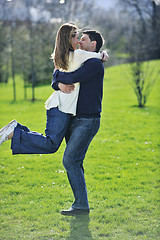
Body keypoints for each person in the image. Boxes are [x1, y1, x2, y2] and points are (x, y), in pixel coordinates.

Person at [0, 23, 107, 154]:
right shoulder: (78, 55)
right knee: (51, 144)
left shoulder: (63, 55)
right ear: (69, 39)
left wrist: (57, 80)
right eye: (77, 38)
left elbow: (55, 80)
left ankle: (16, 130)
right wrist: (103, 54)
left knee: (51, 143)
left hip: (63, 106)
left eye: (81, 39)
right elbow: (96, 57)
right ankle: (14, 131)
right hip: (61, 106)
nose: (79, 41)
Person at [51, 30, 107, 215]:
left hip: (87, 120)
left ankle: (81, 205)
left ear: (94, 45)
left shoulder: (93, 64)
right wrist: (57, 79)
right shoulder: (78, 60)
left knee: (70, 160)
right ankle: (81, 204)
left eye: (84, 40)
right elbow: (56, 80)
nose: (80, 42)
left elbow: (69, 77)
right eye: (79, 39)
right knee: (76, 161)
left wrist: (58, 76)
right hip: (73, 118)